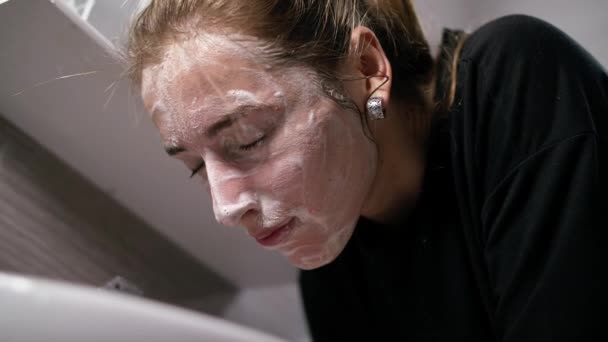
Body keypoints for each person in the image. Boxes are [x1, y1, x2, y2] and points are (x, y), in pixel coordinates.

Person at [126, 1, 608, 340]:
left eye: (248, 138)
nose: (225, 208)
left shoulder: (509, 81)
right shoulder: (330, 252)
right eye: (195, 167)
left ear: (367, 68)